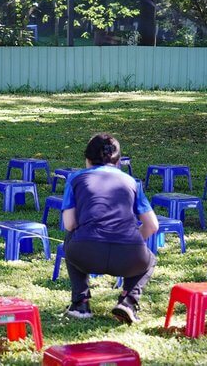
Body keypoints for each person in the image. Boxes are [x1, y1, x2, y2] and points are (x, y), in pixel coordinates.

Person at [61, 133, 159, 324]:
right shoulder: (132, 183)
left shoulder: (75, 179)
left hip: (85, 253)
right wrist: (132, 241)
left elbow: (69, 224)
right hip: (130, 256)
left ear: (87, 160)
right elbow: (152, 225)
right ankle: (128, 301)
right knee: (150, 259)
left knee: (70, 239)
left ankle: (80, 302)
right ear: (119, 161)